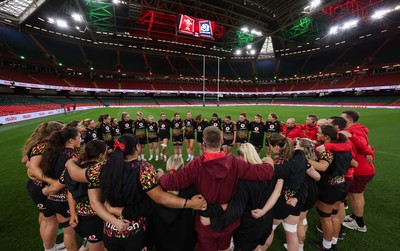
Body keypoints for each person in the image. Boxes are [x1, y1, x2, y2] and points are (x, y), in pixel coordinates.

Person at [66, 134, 206, 251]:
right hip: (137, 232)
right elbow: (160, 197)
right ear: (137, 147)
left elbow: (76, 174)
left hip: (111, 231)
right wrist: (190, 203)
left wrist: (70, 162)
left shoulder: (102, 167)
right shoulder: (143, 168)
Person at [158, 126, 275, 251]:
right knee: (224, 247)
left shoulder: (196, 164)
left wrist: (161, 175)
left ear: (203, 143)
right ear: (222, 141)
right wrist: (269, 161)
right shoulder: (235, 163)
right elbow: (265, 172)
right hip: (226, 220)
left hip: (205, 220)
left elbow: (172, 182)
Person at [200, 143, 280, 251]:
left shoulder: (244, 182)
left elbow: (236, 210)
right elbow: (276, 192)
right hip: (265, 221)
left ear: (243, 157)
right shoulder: (269, 171)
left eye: (239, 157)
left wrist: (213, 221)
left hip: (249, 226)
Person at [261, 134, 308, 251]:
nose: (270, 149)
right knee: (292, 235)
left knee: (269, 230)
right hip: (294, 201)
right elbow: (304, 179)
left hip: (281, 202)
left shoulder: (280, 163)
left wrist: (268, 163)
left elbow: (274, 185)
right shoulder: (300, 156)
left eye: (270, 146)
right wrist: (298, 197)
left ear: (277, 147)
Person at [308, 125, 352, 250]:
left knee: (326, 219)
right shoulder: (344, 148)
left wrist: (305, 159)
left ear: (326, 137)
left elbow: (322, 167)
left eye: (319, 132)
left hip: (329, 187)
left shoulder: (328, 151)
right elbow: (354, 163)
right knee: (334, 216)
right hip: (341, 184)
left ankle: (326, 246)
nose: (317, 134)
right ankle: (333, 242)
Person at [22, 121, 64, 251]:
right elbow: (33, 167)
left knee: (46, 218)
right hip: (41, 187)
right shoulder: (43, 145)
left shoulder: (36, 143)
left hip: (36, 185)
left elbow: (25, 161)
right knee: (51, 221)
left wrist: (30, 167)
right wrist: (51, 181)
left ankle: (49, 245)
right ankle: (49, 248)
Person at [41, 127, 81, 251]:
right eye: (79, 137)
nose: (80, 139)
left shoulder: (52, 153)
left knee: (65, 230)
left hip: (53, 199)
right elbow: (67, 179)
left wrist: (49, 190)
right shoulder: (72, 156)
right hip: (66, 200)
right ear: (71, 140)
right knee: (69, 233)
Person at [64, 140, 108, 251]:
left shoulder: (73, 168)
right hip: (96, 217)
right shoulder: (99, 171)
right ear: (101, 155)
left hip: (80, 216)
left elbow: (70, 191)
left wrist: (73, 212)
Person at [151, 155, 197, 251]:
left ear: (167, 168)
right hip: (184, 235)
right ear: (183, 168)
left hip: (163, 234)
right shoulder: (190, 188)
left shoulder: (156, 188)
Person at [340, 111, 375, 233]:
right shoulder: (356, 129)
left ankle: (359, 224)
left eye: (342, 117)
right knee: (355, 195)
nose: (340, 119)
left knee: (356, 197)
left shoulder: (355, 131)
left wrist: (352, 136)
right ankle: (355, 216)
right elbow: (368, 148)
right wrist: (370, 152)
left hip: (360, 170)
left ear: (349, 120)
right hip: (361, 168)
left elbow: (365, 146)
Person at [292, 138, 321, 251]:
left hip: (304, 192)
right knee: (303, 219)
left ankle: (299, 247)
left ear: (303, 148)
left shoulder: (302, 160)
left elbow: (317, 176)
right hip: (312, 190)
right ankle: (300, 244)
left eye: (297, 145)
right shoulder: (312, 159)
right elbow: (317, 177)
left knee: (299, 221)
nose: (295, 147)